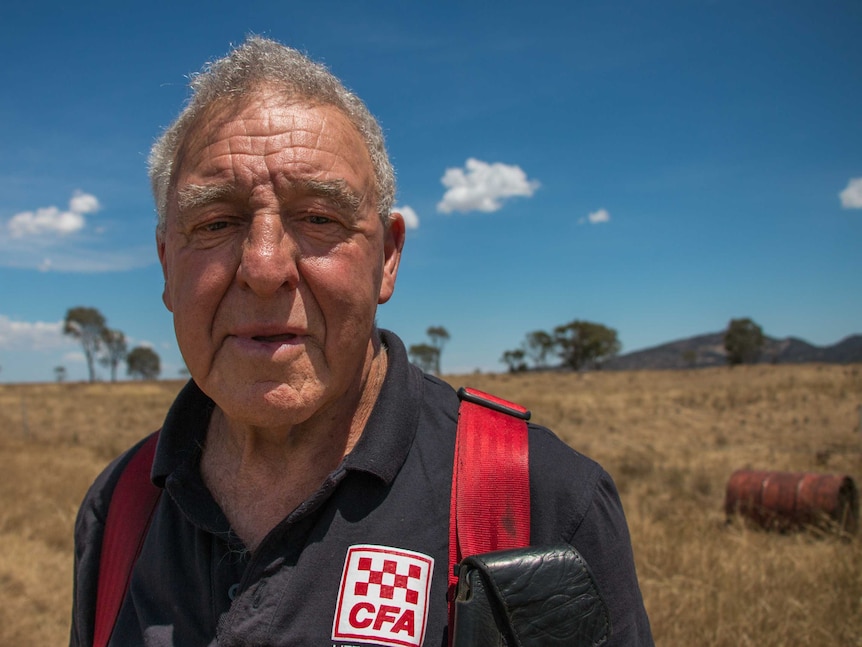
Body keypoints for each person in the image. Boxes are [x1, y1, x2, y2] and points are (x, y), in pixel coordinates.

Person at [70, 37, 653, 646]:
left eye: (319, 218)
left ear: (388, 258)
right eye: (215, 223)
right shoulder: (120, 508)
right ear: (166, 264)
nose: (265, 267)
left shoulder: (541, 502)